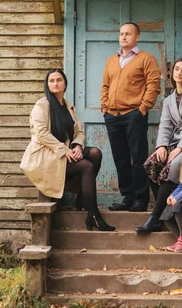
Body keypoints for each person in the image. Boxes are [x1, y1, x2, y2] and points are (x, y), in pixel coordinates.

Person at [20, 68, 115, 232]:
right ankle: (93, 215)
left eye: (59, 80)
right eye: (51, 81)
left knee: (95, 153)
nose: (55, 83)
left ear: (65, 83)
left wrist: (77, 146)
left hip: (63, 153)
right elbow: (41, 133)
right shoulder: (42, 105)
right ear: (47, 84)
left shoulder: (68, 107)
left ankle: (82, 199)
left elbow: (79, 131)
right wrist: (65, 150)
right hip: (47, 156)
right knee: (87, 166)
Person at [135, 56, 182, 232]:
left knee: (174, 165)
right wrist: (161, 146)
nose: (179, 73)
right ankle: (164, 212)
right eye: (176, 69)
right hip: (176, 141)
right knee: (151, 164)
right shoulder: (169, 99)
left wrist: (178, 149)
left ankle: (155, 217)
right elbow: (166, 125)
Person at [101, 22, 161, 212]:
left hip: (134, 115)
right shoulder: (112, 60)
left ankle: (140, 199)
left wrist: (143, 108)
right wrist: (104, 107)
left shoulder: (146, 59)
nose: (123, 37)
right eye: (121, 34)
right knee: (121, 159)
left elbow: (153, 85)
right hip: (112, 116)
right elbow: (105, 86)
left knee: (138, 157)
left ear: (137, 37)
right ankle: (127, 197)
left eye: (128, 34)